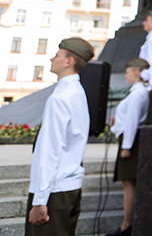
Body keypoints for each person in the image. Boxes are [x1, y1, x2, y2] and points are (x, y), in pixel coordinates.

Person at [26, 38, 94, 236]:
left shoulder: (60, 98)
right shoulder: (77, 92)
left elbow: (50, 150)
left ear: (68, 61)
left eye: (57, 55)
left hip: (54, 191)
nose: (51, 59)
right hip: (69, 187)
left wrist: (40, 200)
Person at [105, 58, 151, 236]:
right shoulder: (138, 92)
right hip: (130, 139)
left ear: (137, 72)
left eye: (129, 71)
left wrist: (126, 147)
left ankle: (126, 225)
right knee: (129, 182)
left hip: (131, 139)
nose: (126, 75)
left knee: (128, 183)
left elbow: (131, 122)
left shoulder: (137, 93)